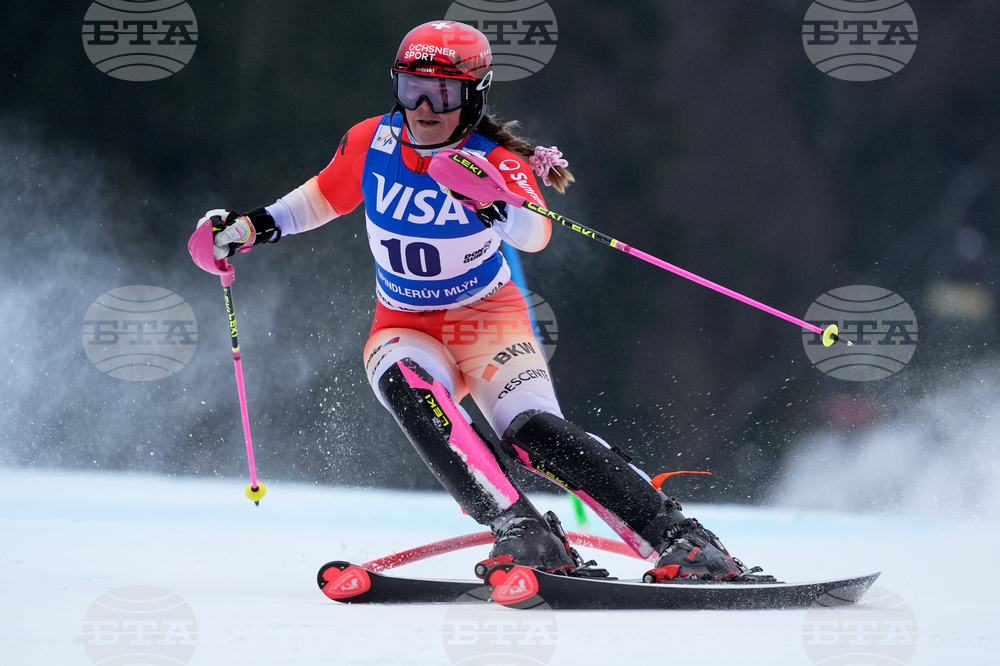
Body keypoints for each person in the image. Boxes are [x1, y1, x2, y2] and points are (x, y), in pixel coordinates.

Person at [191, 20, 757, 581]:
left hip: (488, 321)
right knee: (408, 386)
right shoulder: (372, 140)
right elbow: (319, 198)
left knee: (530, 433)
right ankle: (523, 532)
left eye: (443, 92)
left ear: (473, 95)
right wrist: (245, 229)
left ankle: (684, 542)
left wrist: (494, 202)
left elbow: (536, 235)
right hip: (404, 324)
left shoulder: (495, 158)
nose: (425, 107)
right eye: (412, 89)